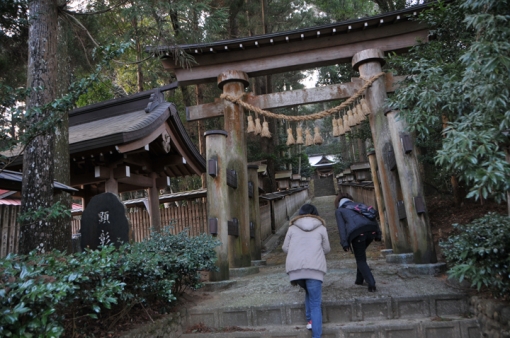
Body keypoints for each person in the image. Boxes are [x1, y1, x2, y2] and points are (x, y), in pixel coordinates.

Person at [282, 203, 330, 338]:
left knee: (309, 291)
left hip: (296, 270)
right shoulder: (321, 227)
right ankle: (317, 335)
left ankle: (310, 320)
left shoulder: (292, 227)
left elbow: (285, 248)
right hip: (314, 268)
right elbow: (327, 249)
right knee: (316, 303)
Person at [334, 192, 381, 292]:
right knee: (360, 255)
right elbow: (372, 217)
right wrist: (378, 234)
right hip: (371, 230)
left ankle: (371, 283)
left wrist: (344, 243)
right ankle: (359, 280)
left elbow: (342, 228)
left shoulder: (340, 210)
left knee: (360, 259)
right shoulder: (359, 205)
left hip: (358, 234)